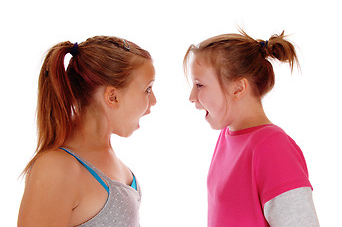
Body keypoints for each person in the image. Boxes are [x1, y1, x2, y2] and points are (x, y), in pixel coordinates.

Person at [184, 29, 320, 227]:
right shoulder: (227, 136)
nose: (191, 97)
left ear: (238, 88)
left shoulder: (273, 148)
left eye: (199, 85)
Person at [18, 36, 156, 227]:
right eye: (148, 89)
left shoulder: (111, 160)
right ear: (113, 96)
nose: (154, 100)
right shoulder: (56, 169)